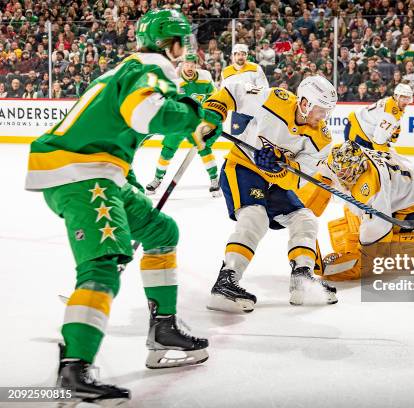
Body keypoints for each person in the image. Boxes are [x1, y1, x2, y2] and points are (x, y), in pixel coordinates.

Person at [24, 9, 210, 403]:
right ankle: (74, 368)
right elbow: (146, 114)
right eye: (184, 42)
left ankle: (163, 329)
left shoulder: (129, 67)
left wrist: (128, 180)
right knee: (103, 266)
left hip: (98, 173)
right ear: (174, 44)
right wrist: (194, 114)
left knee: (162, 231)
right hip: (80, 174)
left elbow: (114, 126)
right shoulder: (152, 65)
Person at [197, 75, 339, 312]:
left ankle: (302, 278)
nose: (324, 117)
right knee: (255, 216)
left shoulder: (322, 138)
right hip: (242, 166)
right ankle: (226, 281)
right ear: (304, 103)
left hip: (275, 181)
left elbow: (297, 178)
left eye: (327, 112)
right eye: (321, 111)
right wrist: (213, 115)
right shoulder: (275, 98)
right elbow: (233, 92)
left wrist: (279, 166)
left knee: (304, 218)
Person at [316, 141, 414, 280]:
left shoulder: (371, 189)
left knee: (382, 252)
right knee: (353, 214)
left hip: (412, 199)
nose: (340, 177)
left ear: (359, 166)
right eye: (338, 171)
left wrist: (361, 258)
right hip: (406, 174)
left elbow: (376, 234)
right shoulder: (345, 154)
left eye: (345, 173)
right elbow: (328, 169)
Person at [145, 53, 219, 195]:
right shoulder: (175, 81)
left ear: (197, 65)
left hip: (198, 121)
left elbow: (214, 99)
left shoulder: (205, 78)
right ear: (182, 64)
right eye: (187, 64)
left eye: (193, 64)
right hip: (179, 122)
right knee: (167, 149)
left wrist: (211, 116)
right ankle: (157, 179)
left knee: (205, 148)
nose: (190, 67)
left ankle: (215, 179)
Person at [344, 83, 413, 152]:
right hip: (356, 130)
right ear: (396, 96)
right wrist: (385, 153)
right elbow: (378, 141)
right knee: (356, 159)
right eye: (403, 98)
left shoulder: (392, 102)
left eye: (408, 99)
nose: (406, 102)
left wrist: (394, 129)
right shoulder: (389, 114)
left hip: (364, 129)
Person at [221, 43, 269, 136]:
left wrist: (249, 91)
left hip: (255, 109)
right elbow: (224, 91)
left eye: (243, 54)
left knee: (256, 137)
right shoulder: (225, 72)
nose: (240, 57)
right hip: (237, 111)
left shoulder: (255, 68)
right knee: (237, 138)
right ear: (233, 56)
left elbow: (264, 89)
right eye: (238, 54)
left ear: (246, 55)